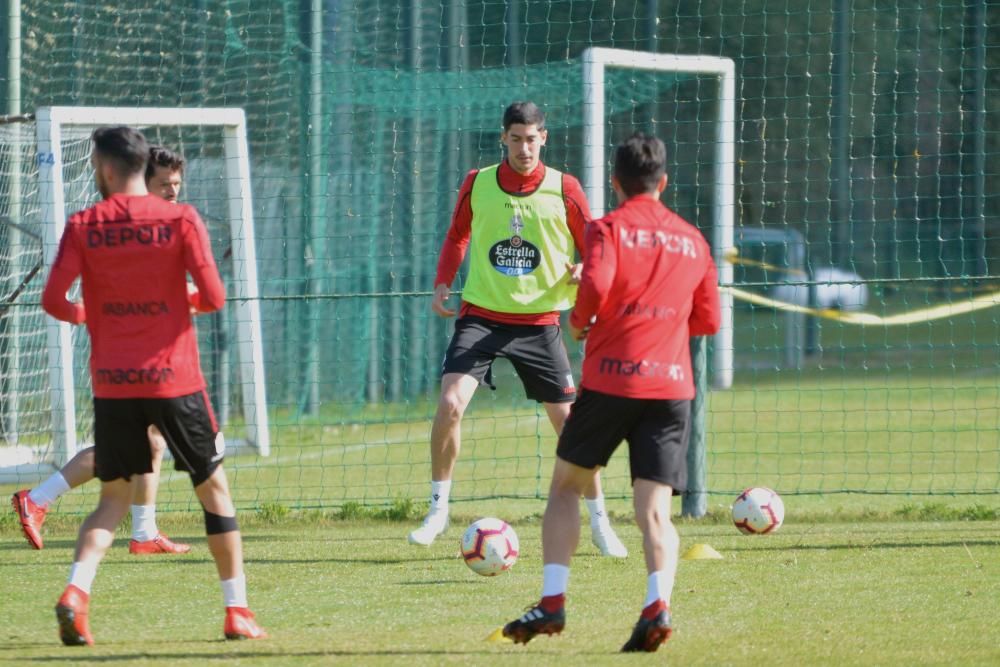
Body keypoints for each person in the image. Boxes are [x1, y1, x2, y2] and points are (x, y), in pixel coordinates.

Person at [41, 126, 265, 645]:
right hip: (174, 379)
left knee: (112, 501)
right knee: (215, 493)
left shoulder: (83, 224)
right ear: (144, 168)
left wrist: (90, 314)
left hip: (113, 383)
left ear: (106, 169)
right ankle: (237, 612)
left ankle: (76, 592)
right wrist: (176, 302)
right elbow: (212, 297)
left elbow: (54, 302)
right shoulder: (181, 218)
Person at [500, 133, 721, 652]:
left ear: (616, 182)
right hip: (669, 389)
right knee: (654, 511)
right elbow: (708, 320)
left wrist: (579, 322)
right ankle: (657, 604)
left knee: (566, 487)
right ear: (663, 182)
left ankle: (552, 602)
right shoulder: (694, 240)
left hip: (612, 380)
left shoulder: (608, 229)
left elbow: (595, 284)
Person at [408, 101, 627, 559]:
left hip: (540, 324)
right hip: (481, 316)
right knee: (449, 404)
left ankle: (601, 523)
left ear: (543, 138)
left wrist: (584, 267)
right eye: (516, 138)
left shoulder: (564, 188)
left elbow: (594, 242)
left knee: (571, 428)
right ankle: (438, 510)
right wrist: (443, 282)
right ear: (502, 138)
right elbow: (457, 235)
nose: (524, 147)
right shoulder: (478, 182)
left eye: (532, 139)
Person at [12, 145, 191, 555]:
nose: (173, 192)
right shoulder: (123, 228)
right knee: (125, 450)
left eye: (177, 184)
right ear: (140, 182)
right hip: (127, 357)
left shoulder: (159, 225)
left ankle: (144, 532)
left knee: (151, 444)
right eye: (165, 184)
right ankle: (37, 499)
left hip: (146, 353)